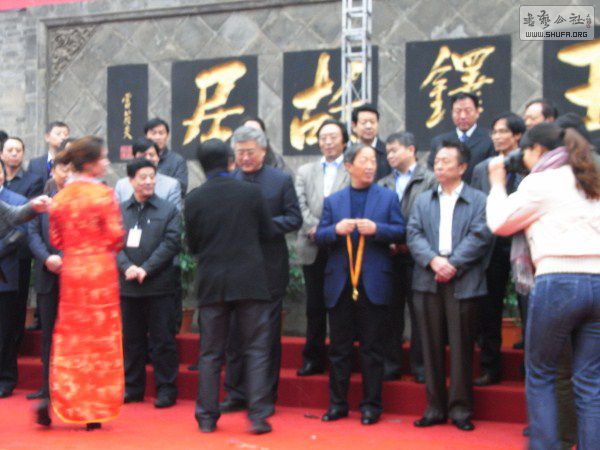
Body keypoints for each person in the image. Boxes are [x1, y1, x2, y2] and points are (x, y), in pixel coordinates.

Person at [487, 123, 600, 450]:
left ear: (537, 149)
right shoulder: (591, 177)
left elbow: (500, 222)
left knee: (541, 374)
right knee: (591, 382)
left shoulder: (541, 181)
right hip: (597, 281)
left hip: (558, 281)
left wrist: (497, 185)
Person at [185, 139, 275, 434]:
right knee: (256, 349)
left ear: (201, 165)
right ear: (230, 161)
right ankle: (258, 415)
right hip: (249, 280)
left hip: (212, 282)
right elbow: (268, 232)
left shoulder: (194, 198)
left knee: (210, 353)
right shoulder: (251, 192)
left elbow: (192, 245)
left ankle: (206, 418)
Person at [315, 143, 405, 425]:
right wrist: (335, 230)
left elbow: (401, 231)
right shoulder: (334, 201)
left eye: (373, 161)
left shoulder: (388, 197)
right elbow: (319, 235)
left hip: (373, 282)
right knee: (339, 349)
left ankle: (371, 406)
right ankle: (337, 404)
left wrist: (378, 229)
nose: (370, 166)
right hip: (340, 284)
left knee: (372, 349)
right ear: (348, 166)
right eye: (363, 161)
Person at [408, 140, 492, 432]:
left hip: (463, 279)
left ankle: (460, 409)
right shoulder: (423, 199)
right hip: (428, 278)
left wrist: (453, 263)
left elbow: (481, 236)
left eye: (446, 161)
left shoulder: (479, 200)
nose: (439, 166)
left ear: (463, 167)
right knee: (429, 347)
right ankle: (434, 407)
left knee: (461, 347)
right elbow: (413, 233)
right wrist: (433, 261)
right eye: (437, 162)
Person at [220, 126, 302, 413]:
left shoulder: (280, 180)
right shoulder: (229, 181)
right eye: (239, 152)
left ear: (264, 151)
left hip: (269, 269)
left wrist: (264, 224)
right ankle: (235, 392)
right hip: (235, 271)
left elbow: (294, 218)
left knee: (265, 336)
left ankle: (264, 396)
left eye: (250, 152)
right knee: (235, 335)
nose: (244, 157)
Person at [47, 136, 125, 430]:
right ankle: (96, 407)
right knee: (102, 339)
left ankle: (69, 400)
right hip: (101, 272)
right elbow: (116, 237)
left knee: (72, 338)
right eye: (102, 157)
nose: (106, 162)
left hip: (72, 272)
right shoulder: (104, 195)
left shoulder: (60, 198)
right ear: (90, 164)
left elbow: (56, 240)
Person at [117, 158, 180, 408]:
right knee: (131, 340)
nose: (148, 181)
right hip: (128, 286)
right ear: (130, 180)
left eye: (152, 177)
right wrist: (127, 267)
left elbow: (171, 243)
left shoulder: (168, 210)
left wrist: (146, 268)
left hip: (159, 286)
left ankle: (166, 389)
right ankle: (133, 388)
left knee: (163, 340)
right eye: (142, 177)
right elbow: (112, 244)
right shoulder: (120, 210)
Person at [470, 112, 526, 386]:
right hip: (492, 246)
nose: (497, 136)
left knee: (529, 306)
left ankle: (530, 367)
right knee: (489, 309)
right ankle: (490, 367)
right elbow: (476, 207)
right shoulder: (483, 168)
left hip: (524, 245)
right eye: (494, 132)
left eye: (503, 131)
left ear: (517, 135)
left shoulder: (529, 164)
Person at [378, 131, 436, 383]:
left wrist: (408, 243)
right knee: (390, 314)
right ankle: (390, 365)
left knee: (421, 314)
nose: (389, 156)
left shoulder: (430, 180)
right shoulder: (383, 183)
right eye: (388, 152)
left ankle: (421, 367)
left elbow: (430, 218)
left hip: (420, 258)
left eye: (394, 150)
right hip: (389, 257)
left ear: (411, 150)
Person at [295, 119, 350, 376]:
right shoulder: (305, 171)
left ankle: (341, 359)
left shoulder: (351, 169)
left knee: (341, 307)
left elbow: (352, 204)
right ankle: (313, 358)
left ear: (344, 141)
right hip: (312, 244)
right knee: (314, 306)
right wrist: (315, 227)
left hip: (341, 246)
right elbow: (299, 204)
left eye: (333, 137)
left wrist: (330, 230)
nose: (327, 142)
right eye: (323, 137)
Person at [28, 152, 72, 424]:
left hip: (74, 277)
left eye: (71, 169)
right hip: (47, 276)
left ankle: (71, 391)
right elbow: (32, 233)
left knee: (73, 337)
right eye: (62, 169)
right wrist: (47, 258)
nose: (66, 174)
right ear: (53, 171)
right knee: (48, 337)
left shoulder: (80, 202)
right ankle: (47, 388)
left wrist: (66, 259)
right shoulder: (43, 200)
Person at [0, 167, 28, 399]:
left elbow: (19, 235)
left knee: (5, 331)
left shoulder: (17, 201)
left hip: (5, 273)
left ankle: (6, 379)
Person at [428, 93, 495, 184]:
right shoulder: (439, 141)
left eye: (468, 111)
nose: (463, 116)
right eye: (458, 111)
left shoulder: (490, 139)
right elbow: (431, 172)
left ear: (477, 112)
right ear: (452, 113)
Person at [115, 138, 181, 210]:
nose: (148, 159)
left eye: (151, 155)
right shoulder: (121, 185)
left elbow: (174, 214)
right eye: (143, 156)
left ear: (158, 158)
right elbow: (116, 213)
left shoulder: (171, 185)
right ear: (134, 158)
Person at [144, 118, 188, 195]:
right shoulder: (140, 158)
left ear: (168, 136)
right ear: (146, 136)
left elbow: (182, 188)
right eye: (153, 133)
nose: (157, 137)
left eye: (161, 133)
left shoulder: (177, 160)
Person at [351, 104, 391, 180]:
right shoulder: (348, 153)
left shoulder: (388, 152)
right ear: (354, 126)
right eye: (364, 122)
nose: (369, 126)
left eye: (372, 122)